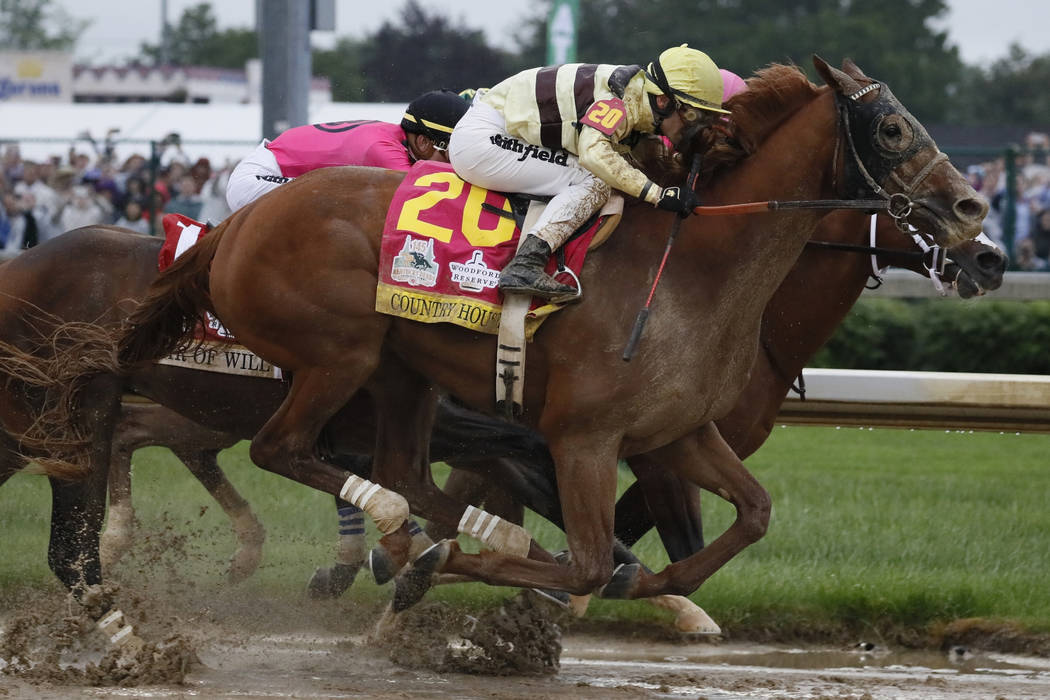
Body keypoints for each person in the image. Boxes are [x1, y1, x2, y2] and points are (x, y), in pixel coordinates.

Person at [448, 44, 730, 302]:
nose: (697, 126)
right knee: (594, 179)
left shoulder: (638, 100)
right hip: (484, 140)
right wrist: (658, 195)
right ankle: (525, 265)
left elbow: (641, 152)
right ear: (663, 102)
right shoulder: (619, 100)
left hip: (498, 132)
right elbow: (594, 153)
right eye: (694, 115)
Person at [224, 89, 470, 212]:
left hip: (276, 168)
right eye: (451, 154)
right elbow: (422, 201)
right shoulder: (384, 150)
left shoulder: (395, 140)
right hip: (256, 179)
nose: (455, 165)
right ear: (424, 143)